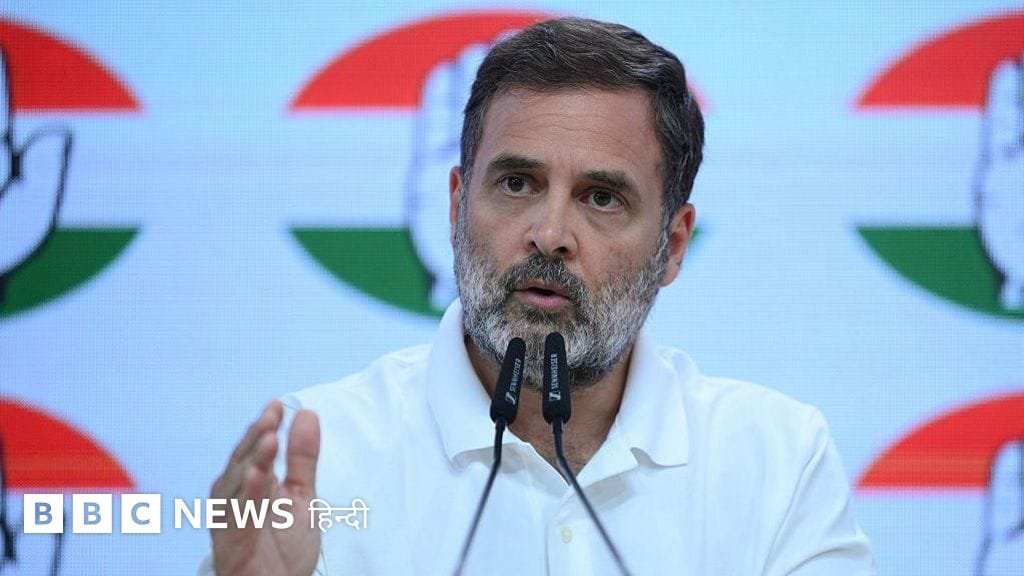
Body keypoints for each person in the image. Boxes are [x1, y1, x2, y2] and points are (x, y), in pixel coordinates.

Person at [202, 17, 875, 575]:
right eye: (517, 184)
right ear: (457, 207)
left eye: (601, 198)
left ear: (673, 245)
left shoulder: (776, 460)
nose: (550, 235)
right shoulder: (316, 459)